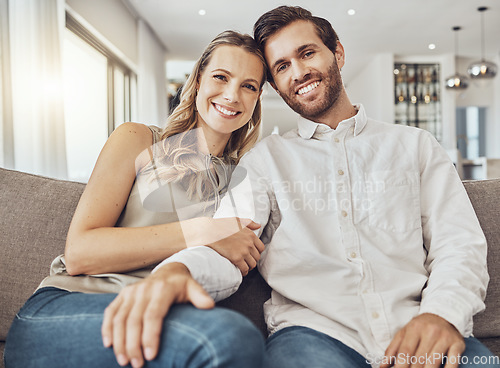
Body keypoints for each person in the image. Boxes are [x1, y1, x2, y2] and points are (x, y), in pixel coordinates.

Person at [109, 5, 500, 368]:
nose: (297, 72)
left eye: (307, 53)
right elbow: (229, 247)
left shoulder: (414, 146)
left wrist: (442, 314)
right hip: (313, 335)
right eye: (281, 66)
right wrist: (179, 270)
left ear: (338, 54)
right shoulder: (263, 162)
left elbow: (458, 242)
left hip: (418, 324)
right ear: (276, 86)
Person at [4, 30, 268, 368]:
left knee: (233, 337)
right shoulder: (137, 139)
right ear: (199, 80)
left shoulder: (244, 179)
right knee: (227, 338)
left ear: (257, 98)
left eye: (248, 86)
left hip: (163, 315)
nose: (232, 95)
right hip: (70, 305)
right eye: (221, 76)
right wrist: (203, 231)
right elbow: (81, 254)